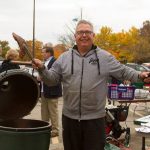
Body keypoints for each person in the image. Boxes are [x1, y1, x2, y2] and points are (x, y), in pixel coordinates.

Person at [32, 20, 150, 150]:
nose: (84, 35)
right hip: (70, 119)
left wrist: (140, 76)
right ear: (75, 36)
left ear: (93, 35)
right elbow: (52, 79)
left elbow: (123, 71)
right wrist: (42, 69)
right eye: (80, 32)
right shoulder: (64, 58)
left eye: (87, 32)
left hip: (95, 120)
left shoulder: (105, 57)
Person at [38, 46, 62, 137]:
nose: (42, 54)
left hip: (52, 91)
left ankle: (55, 130)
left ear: (49, 53)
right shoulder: (44, 62)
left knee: (53, 112)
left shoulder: (55, 62)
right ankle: (44, 128)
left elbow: (56, 77)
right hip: (44, 91)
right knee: (44, 112)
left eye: (43, 52)